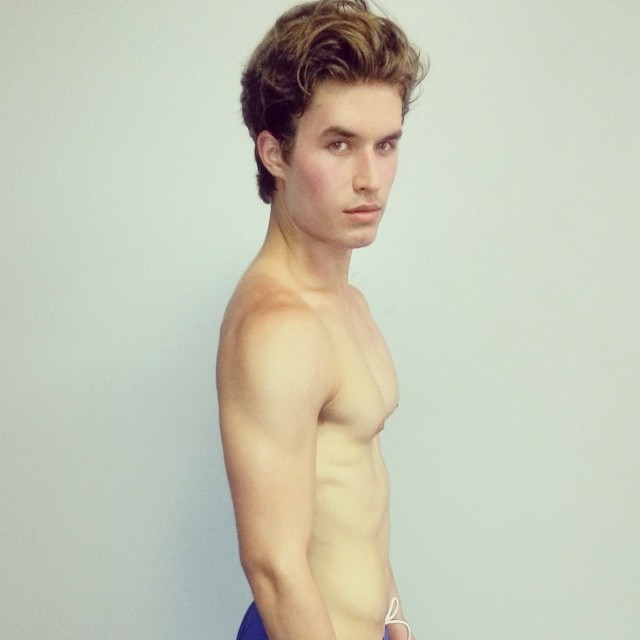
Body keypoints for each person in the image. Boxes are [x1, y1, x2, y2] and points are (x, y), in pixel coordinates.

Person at [216, 1, 427, 638]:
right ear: (274, 153)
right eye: (339, 145)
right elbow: (275, 569)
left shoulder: (346, 303)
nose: (371, 179)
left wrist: (394, 617)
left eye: (385, 145)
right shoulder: (278, 329)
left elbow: (356, 496)